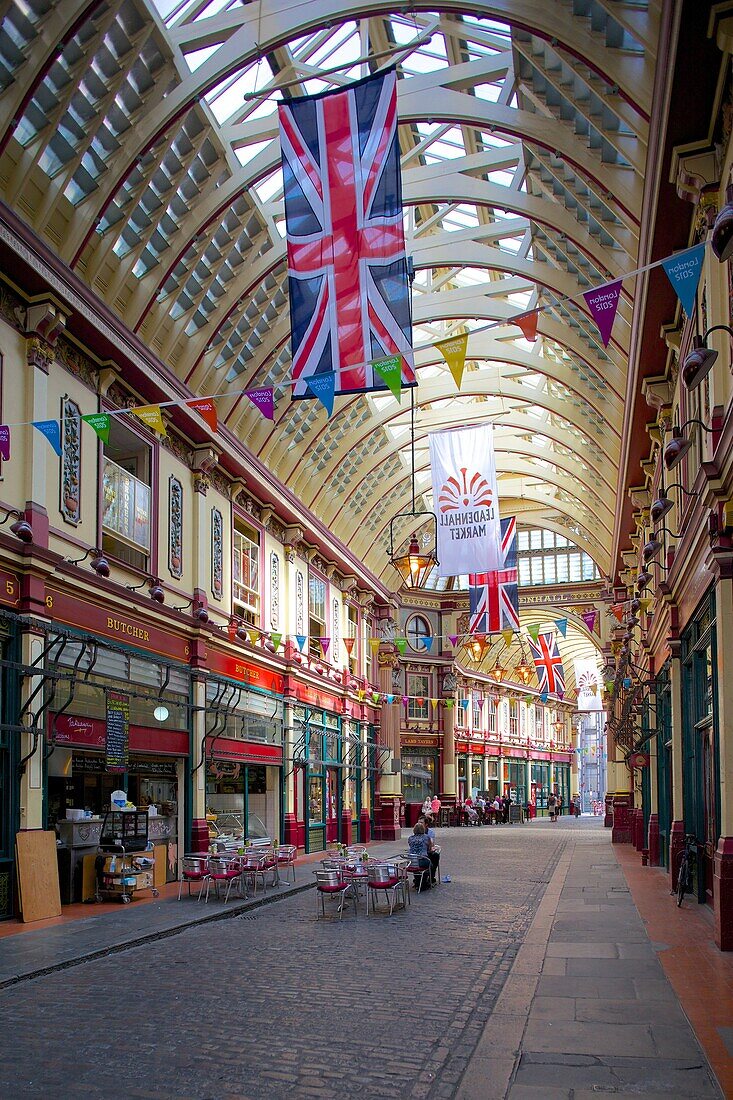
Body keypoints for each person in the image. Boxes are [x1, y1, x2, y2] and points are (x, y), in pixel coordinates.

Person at [408, 821, 439, 887]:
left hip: (412, 862)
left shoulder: (410, 838)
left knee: (416, 864)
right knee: (431, 865)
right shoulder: (426, 837)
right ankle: (427, 880)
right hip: (423, 860)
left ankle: (418, 881)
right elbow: (429, 849)